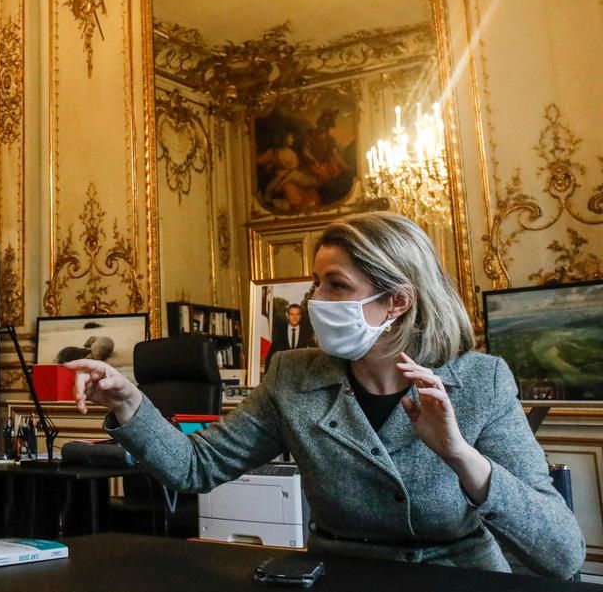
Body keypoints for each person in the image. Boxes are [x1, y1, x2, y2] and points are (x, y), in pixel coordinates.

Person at [67, 212, 584, 578]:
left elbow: (562, 556)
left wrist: (459, 455)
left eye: (337, 285)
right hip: (340, 575)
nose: (316, 301)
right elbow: (195, 468)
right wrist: (129, 402)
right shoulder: (293, 375)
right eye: (317, 284)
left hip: (455, 576)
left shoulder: (482, 381)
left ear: (397, 301)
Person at [265, 303, 314, 373]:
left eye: (297, 314)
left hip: (300, 372)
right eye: (292, 314)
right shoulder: (280, 331)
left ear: (301, 316)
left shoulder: (307, 332)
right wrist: (267, 373)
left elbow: (313, 353)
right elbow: (272, 353)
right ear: (287, 315)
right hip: (283, 372)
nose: (294, 317)